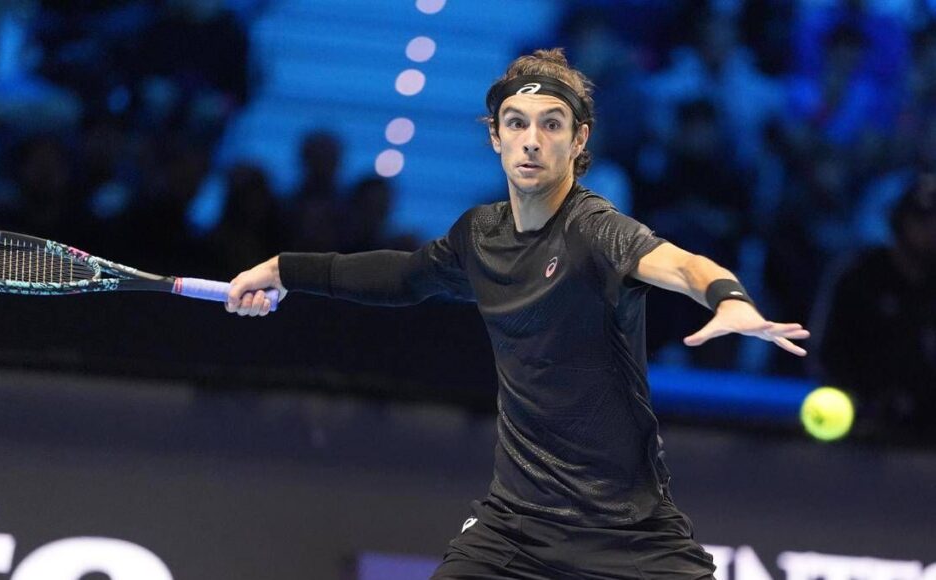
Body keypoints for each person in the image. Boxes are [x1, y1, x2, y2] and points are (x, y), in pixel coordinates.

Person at [225, 49, 809, 579]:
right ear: (495, 136)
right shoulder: (480, 236)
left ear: (579, 140)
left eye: (551, 124)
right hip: (514, 529)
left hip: (627, 533)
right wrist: (284, 269)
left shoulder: (595, 229)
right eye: (516, 123)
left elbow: (682, 265)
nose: (532, 140)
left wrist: (729, 298)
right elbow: (403, 278)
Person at [816, 174, 936, 444]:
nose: (932, 231)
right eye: (924, 221)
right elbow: (826, 352)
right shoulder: (861, 277)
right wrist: (864, 400)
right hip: (861, 426)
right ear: (901, 222)